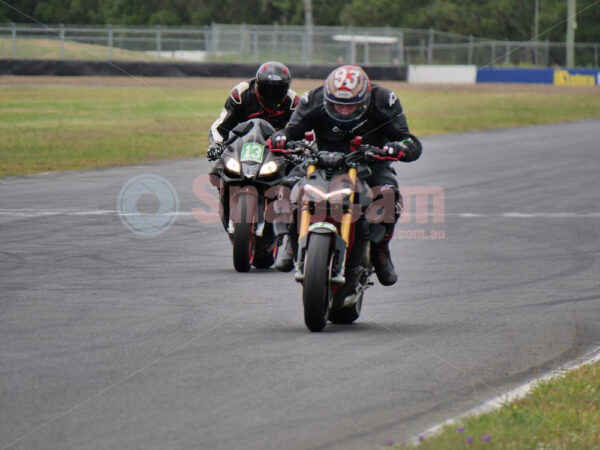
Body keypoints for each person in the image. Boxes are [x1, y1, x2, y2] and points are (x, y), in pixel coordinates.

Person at [268, 65, 422, 286]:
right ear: (328, 99)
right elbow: (290, 130)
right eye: (338, 105)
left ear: (365, 99)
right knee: (285, 186)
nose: (344, 111)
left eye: (351, 106)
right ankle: (292, 241)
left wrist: (398, 148)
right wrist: (280, 137)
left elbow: (409, 140)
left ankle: (380, 249)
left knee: (389, 194)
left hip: (369, 161)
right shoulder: (313, 98)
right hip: (320, 159)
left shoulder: (384, 100)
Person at [206, 61, 299, 175]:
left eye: (278, 91)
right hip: (240, 147)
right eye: (267, 89)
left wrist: (299, 150)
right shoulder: (241, 93)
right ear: (257, 84)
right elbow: (221, 126)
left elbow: (302, 130)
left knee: (296, 174)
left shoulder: (293, 101)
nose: (271, 95)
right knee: (215, 175)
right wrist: (216, 144)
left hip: (276, 150)